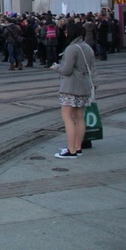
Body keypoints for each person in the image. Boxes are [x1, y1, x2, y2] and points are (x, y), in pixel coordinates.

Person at [50, 23, 96, 159]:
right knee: (80, 117)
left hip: (70, 87)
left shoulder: (71, 49)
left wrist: (56, 67)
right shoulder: (87, 47)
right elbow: (93, 69)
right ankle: (78, 147)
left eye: (66, 31)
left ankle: (71, 150)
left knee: (67, 117)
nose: (65, 33)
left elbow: (66, 70)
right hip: (84, 86)